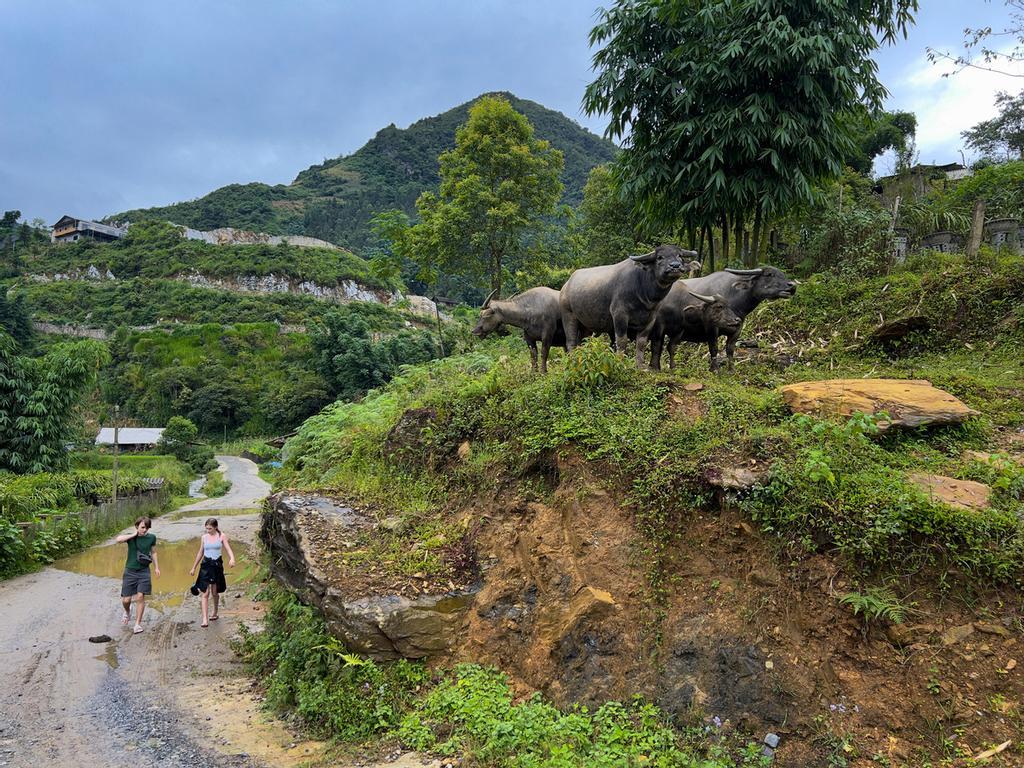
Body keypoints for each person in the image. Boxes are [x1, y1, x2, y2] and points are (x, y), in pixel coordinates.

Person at [115, 516, 160, 634]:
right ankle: (128, 611)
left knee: (140, 597)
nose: (145, 530)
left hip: (144, 571)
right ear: (137, 527)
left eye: (147, 528)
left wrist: (156, 567)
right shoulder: (131, 538)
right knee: (126, 600)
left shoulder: (151, 538)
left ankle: (137, 624)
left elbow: (154, 552)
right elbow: (118, 539)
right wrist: (133, 535)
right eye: (142, 527)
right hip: (130, 570)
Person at [189, 518, 235, 628]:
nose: (208, 530)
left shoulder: (222, 536)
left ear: (215, 527)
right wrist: (194, 567)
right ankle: (204, 619)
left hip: (217, 566)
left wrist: (232, 558)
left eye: (210, 528)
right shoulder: (204, 537)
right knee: (205, 593)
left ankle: (215, 611)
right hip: (205, 565)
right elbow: (200, 552)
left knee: (215, 592)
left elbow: (228, 549)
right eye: (206, 528)